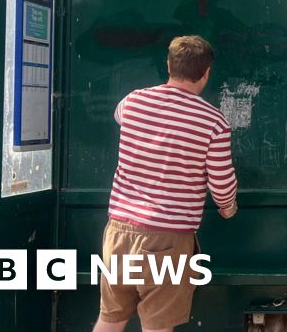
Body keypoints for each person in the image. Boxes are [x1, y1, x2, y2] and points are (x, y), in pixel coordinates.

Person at [93, 35, 238, 332]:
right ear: (207, 72)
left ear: (169, 65)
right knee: (158, 326)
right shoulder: (212, 122)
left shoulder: (133, 102)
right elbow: (221, 181)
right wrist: (227, 207)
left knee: (110, 319)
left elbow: (120, 118)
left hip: (119, 231)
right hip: (168, 237)